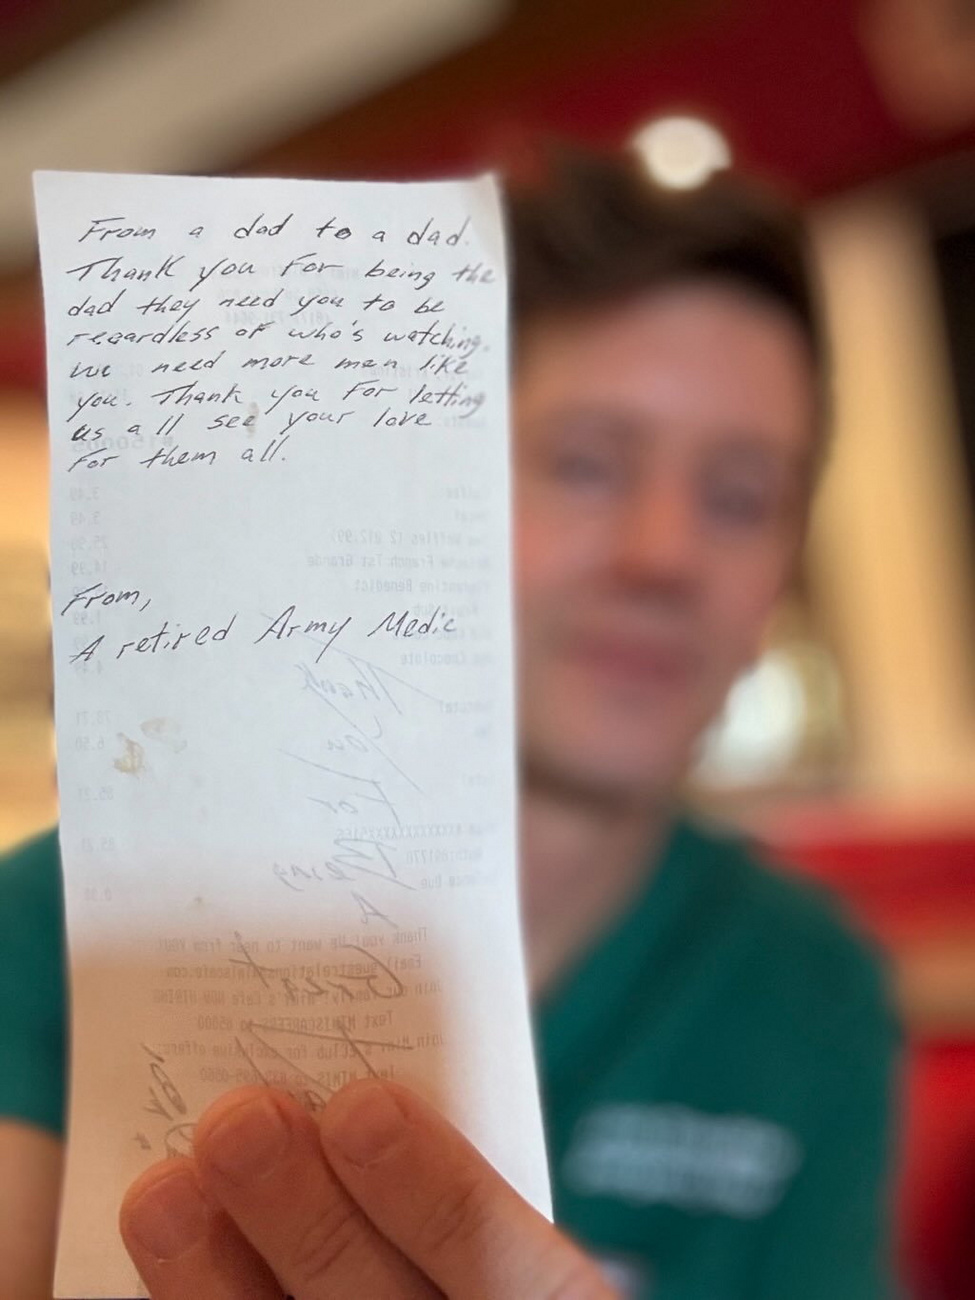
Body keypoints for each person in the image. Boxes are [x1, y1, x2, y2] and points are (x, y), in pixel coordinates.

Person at [0, 147, 901, 1300]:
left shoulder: (810, 984)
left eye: (740, 497)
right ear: (423, 486)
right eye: (586, 465)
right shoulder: (67, 928)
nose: (665, 552)